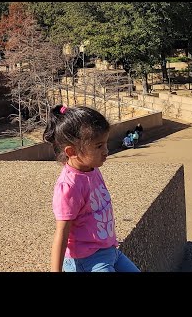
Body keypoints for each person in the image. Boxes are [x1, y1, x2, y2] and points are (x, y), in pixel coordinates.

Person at [43, 104, 140, 272]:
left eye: (105, 143)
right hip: (87, 260)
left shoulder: (92, 169)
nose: (106, 151)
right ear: (72, 151)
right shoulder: (69, 186)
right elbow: (62, 234)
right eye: (98, 146)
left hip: (109, 250)